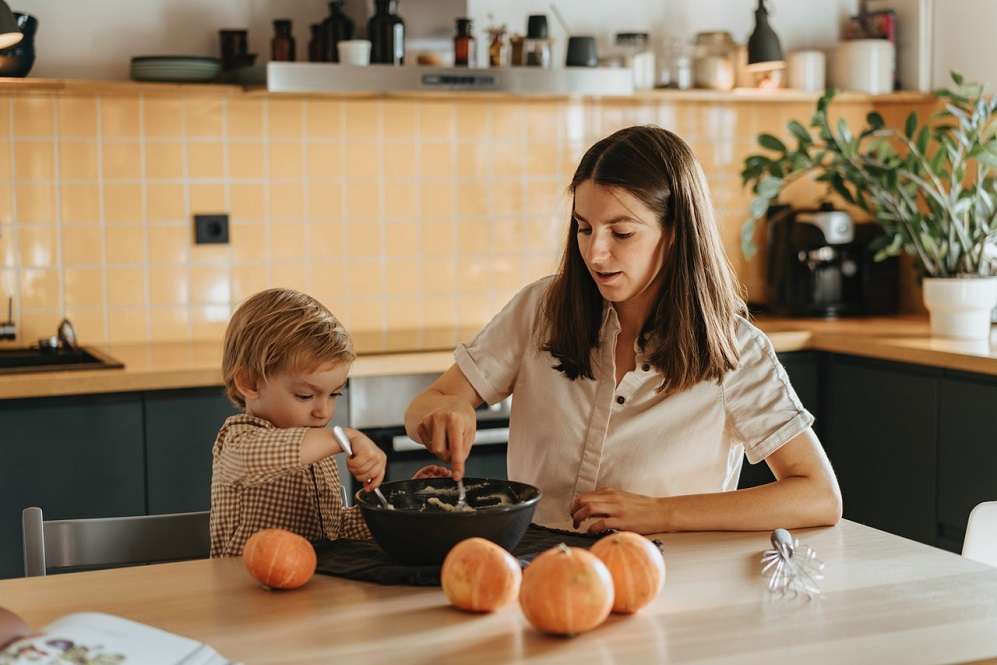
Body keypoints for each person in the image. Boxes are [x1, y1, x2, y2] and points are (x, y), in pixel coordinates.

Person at [404, 126, 842, 534]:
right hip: (537, 571)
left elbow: (818, 495)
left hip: (669, 581)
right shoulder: (541, 309)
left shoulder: (735, 350)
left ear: (675, 234)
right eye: (584, 228)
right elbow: (431, 402)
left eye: (622, 232)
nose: (595, 253)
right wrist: (445, 411)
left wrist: (662, 513)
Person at [210, 288, 445, 557]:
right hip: (245, 591)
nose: (323, 411)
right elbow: (258, 458)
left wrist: (407, 502)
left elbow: (336, 530)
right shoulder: (236, 440)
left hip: (313, 587)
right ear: (250, 383)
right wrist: (341, 437)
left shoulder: (318, 451)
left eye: (334, 394)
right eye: (305, 395)